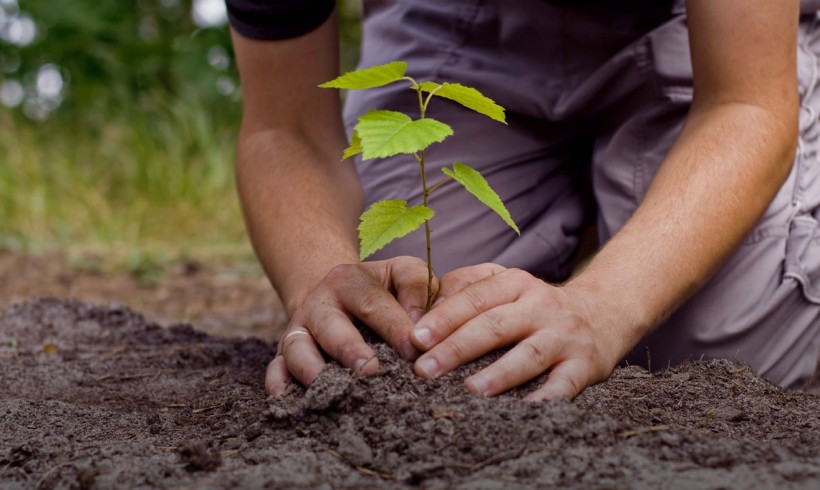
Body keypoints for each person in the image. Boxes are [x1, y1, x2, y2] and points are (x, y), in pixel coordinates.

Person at [226, 0, 820, 401]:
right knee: (407, 321)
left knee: (717, 351)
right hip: (456, 19)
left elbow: (745, 103)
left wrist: (605, 305)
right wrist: (321, 282)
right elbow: (286, 127)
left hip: (702, 28)